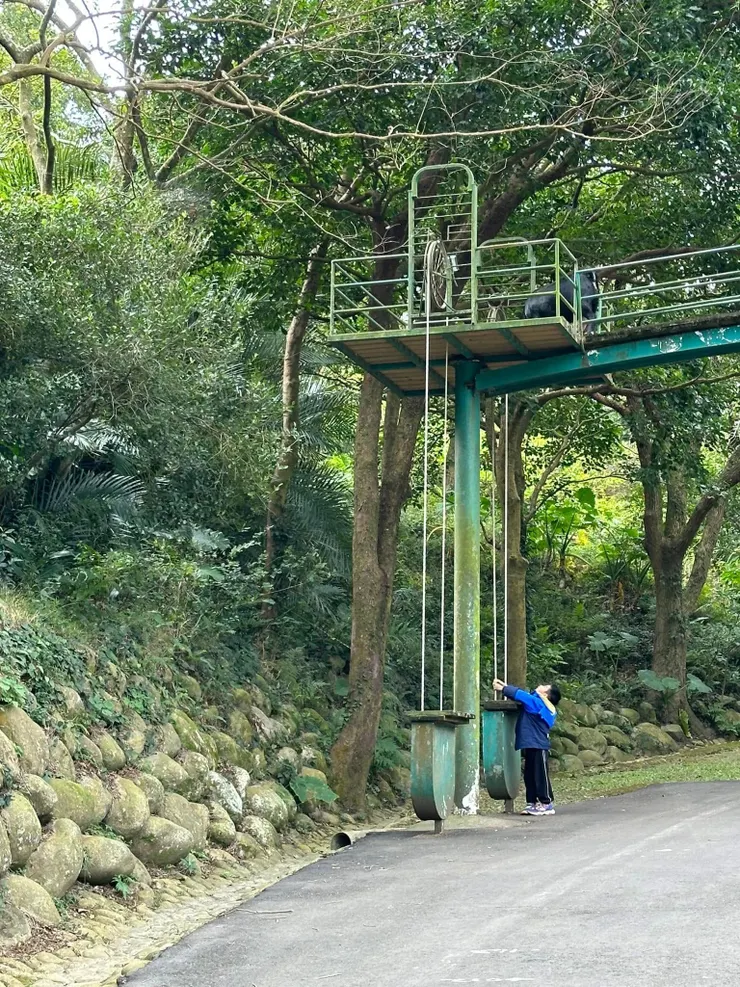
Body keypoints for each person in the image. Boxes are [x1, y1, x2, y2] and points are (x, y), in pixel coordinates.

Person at [492, 677, 561, 816]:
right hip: (531, 744)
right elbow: (525, 696)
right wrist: (507, 687)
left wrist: (504, 689)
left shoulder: (539, 704)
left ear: (545, 694)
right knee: (530, 775)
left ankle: (546, 802)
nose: (541, 684)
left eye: (545, 686)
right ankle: (532, 802)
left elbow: (522, 696)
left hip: (538, 745)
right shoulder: (538, 702)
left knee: (540, 775)